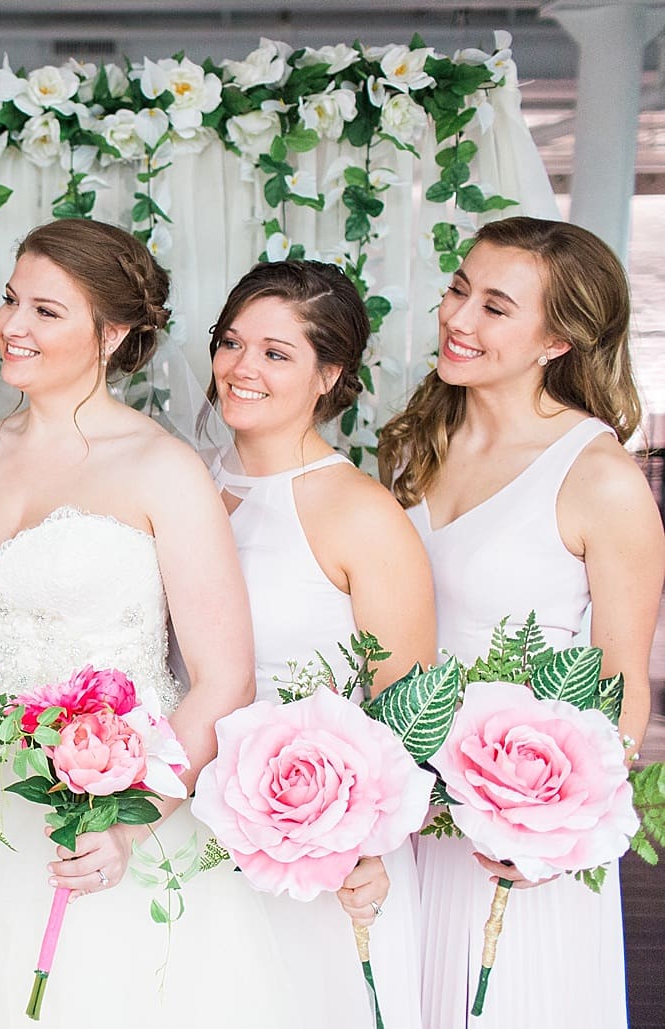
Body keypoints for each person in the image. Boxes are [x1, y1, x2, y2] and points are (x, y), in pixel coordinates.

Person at [0, 219, 303, 1028]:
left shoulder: (162, 468)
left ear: (112, 332)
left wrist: (126, 821)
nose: (12, 325)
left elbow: (224, 677)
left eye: (46, 311)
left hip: (103, 823)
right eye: (12, 300)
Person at [377, 215, 663, 1029]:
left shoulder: (598, 477)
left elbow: (619, 692)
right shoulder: (412, 447)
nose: (457, 319)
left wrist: (547, 838)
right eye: (458, 289)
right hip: (404, 814)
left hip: (518, 833)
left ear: (557, 340)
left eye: (495, 306)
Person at [207, 259, 435, 1029]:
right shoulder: (185, 484)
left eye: (276, 354)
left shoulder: (359, 512)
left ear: (328, 374)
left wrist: (366, 842)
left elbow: (407, 704)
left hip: (318, 846)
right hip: (191, 825)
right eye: (231, 342)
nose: (241, 369)